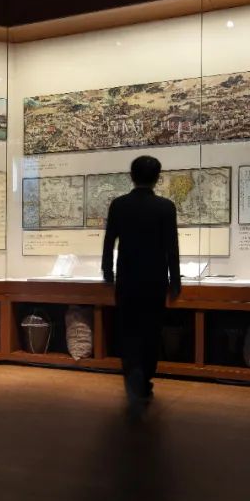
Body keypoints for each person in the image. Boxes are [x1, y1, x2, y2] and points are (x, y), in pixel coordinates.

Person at [102, 155, 181, 411]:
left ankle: (133, 377)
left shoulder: (119, 205)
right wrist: (175, 281)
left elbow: (109, 241)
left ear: (131, 176)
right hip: (154, 281)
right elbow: (172, 248)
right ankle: (144, 380)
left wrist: (107, 272)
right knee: (151, 331)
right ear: (157, 178)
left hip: (127, 279)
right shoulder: (166, 207)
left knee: (128, 331)